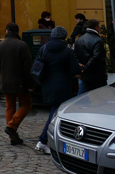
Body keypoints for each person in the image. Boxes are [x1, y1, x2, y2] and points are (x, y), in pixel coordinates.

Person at [33, 26, 81, 154]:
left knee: (56, 112)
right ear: (64, 37)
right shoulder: (67, 51)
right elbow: (75, 70)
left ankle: (54, 140)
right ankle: (43, 141)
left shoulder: (43, 49)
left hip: (47, 85)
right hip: (62, 86)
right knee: (56, 114)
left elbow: (37, 66)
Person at [0, 22, 33, 145]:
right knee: (26, 105)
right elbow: (28, 67)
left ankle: (13, 137)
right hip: (19, 81)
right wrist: (31, 83)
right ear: (17, 32)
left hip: (5, 82)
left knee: (10, 107)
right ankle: (12, 126)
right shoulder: (22, 45)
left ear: (7, 31)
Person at [74, 19, 107, 94]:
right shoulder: (98, 40)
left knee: (82, 96)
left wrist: (80, 66)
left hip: (83, 75)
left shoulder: (79, 39)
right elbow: (97, 57)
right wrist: (86, 68)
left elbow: (75, 55)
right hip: (96, 76)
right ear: (96, 28)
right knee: (100, 96)